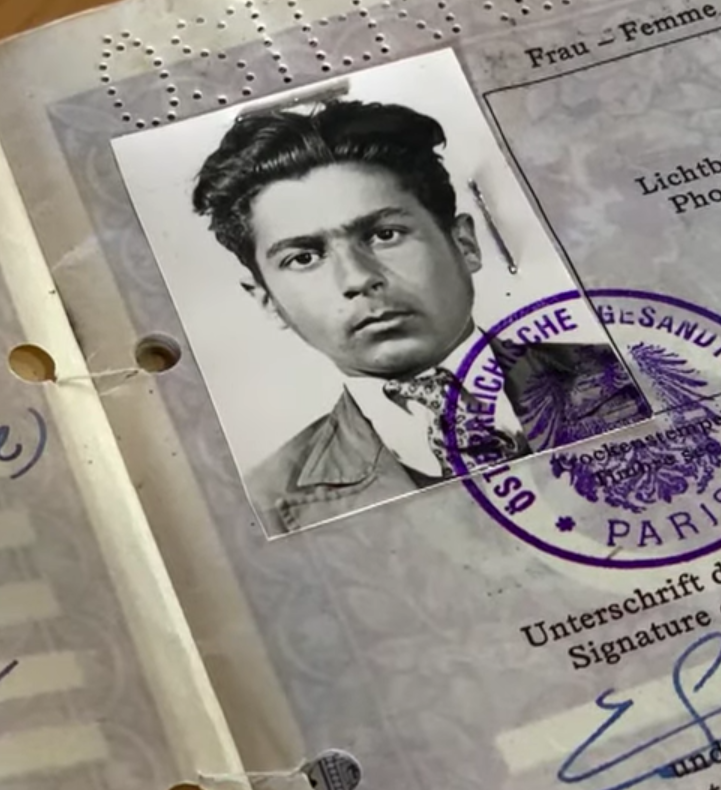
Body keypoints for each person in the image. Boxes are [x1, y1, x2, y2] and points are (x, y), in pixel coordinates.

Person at [192, 98, 646, 533]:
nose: (358, 278)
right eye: (304, 258)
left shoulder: (641, 374)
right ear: (268, 301)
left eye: (385, 234)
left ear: (464, 244)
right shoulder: (266, 503)